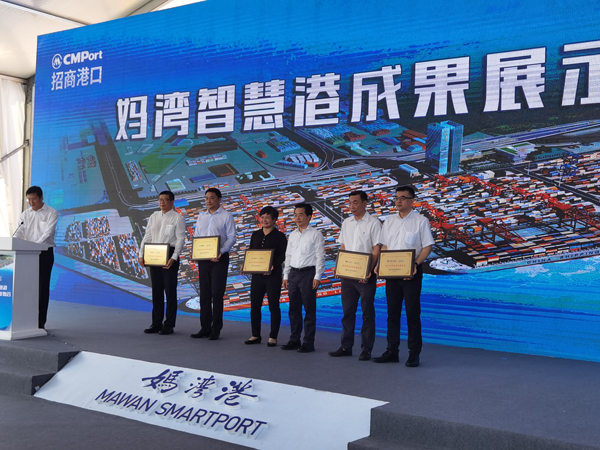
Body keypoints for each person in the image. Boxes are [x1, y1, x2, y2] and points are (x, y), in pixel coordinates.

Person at [373, 185, 434, 367]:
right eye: (396, 198)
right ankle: (392, 351)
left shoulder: (421, 221)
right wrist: (380, 264)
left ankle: (414, 353)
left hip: (412, 273)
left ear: (412, 200)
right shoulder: (389, 221)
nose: (398, 201)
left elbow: (427, 247)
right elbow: (385, 246)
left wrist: (415, 264)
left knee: (412, 314)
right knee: (392, 314)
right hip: (391, 274)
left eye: (402, 198)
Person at [329, 190, 381, 361]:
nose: (351, 206)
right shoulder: (347, 223)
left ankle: (366, 349)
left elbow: (376, 249)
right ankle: (346, 346)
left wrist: (368, 271)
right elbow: (343, 246)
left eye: (355, 202)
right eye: (350, 202)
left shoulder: (374, 223)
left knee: (367, 313)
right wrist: (339, 267)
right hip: (347, 276)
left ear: (365, 203)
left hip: (366, 276)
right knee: (347, 312)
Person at [138, 191, 186, 335]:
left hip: (169, 254)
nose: (162, 202)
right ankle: (156, 323)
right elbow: (147, 236)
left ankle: (169, 324)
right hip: (154, 254)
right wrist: (141, 254)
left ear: (172, 201)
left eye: (165, 200)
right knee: (156, 291)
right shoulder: (154, 216)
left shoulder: (178, 218)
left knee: (170, 292)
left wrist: (174, 257)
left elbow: (180, 239)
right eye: (160, 199)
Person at [191, 188, 236, 340]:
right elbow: (197, 236)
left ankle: (216, 328)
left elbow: (232, 237)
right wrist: (195, 252)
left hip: (219, 259)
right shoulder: (201, 216)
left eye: (212, 198)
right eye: (206, 198)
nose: (208, 201)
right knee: (204, 294)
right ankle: (205, 327)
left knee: (217, 294)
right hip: (203, 259)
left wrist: (221, 252)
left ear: (219, 199)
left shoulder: (226, 216)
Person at [281, 203, 325, 353]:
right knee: (293, 309)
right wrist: (286, 275)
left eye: (301, 215)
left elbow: (320, 257)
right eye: (295, 215)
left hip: (308, 274)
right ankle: (294, 340)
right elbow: (288, 256)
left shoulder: (316, 234)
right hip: (293, 274)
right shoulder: (292, 234)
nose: (297, 218)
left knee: (309, 310)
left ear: (309, 216)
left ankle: (308, 342)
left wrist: (317, 276)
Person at [14, 186, 59, 329]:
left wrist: (34, 247)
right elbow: (19, 233)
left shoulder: (51, 213)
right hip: (27, 254)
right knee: (26, 286)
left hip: (44, 253)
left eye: (34, 199)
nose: (31, 202)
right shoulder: (25, 214)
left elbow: (47, 234)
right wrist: (13, 242)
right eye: (29, 199)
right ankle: (26, 319)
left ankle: (40, 322)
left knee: (42, 287)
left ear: (41, 198)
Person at [245, 206, 287, 347]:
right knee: (255, 306)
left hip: (272, 276)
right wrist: (246, 265)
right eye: (262, 217)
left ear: (274, 220)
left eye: (267, 217)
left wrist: (273, 265)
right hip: (257, 276)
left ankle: (273, 336)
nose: (264, 220)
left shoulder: (280, 236)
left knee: (273, 306)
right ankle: (255, 335)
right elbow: (251, 252)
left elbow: (283, 255)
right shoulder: (255, 234)